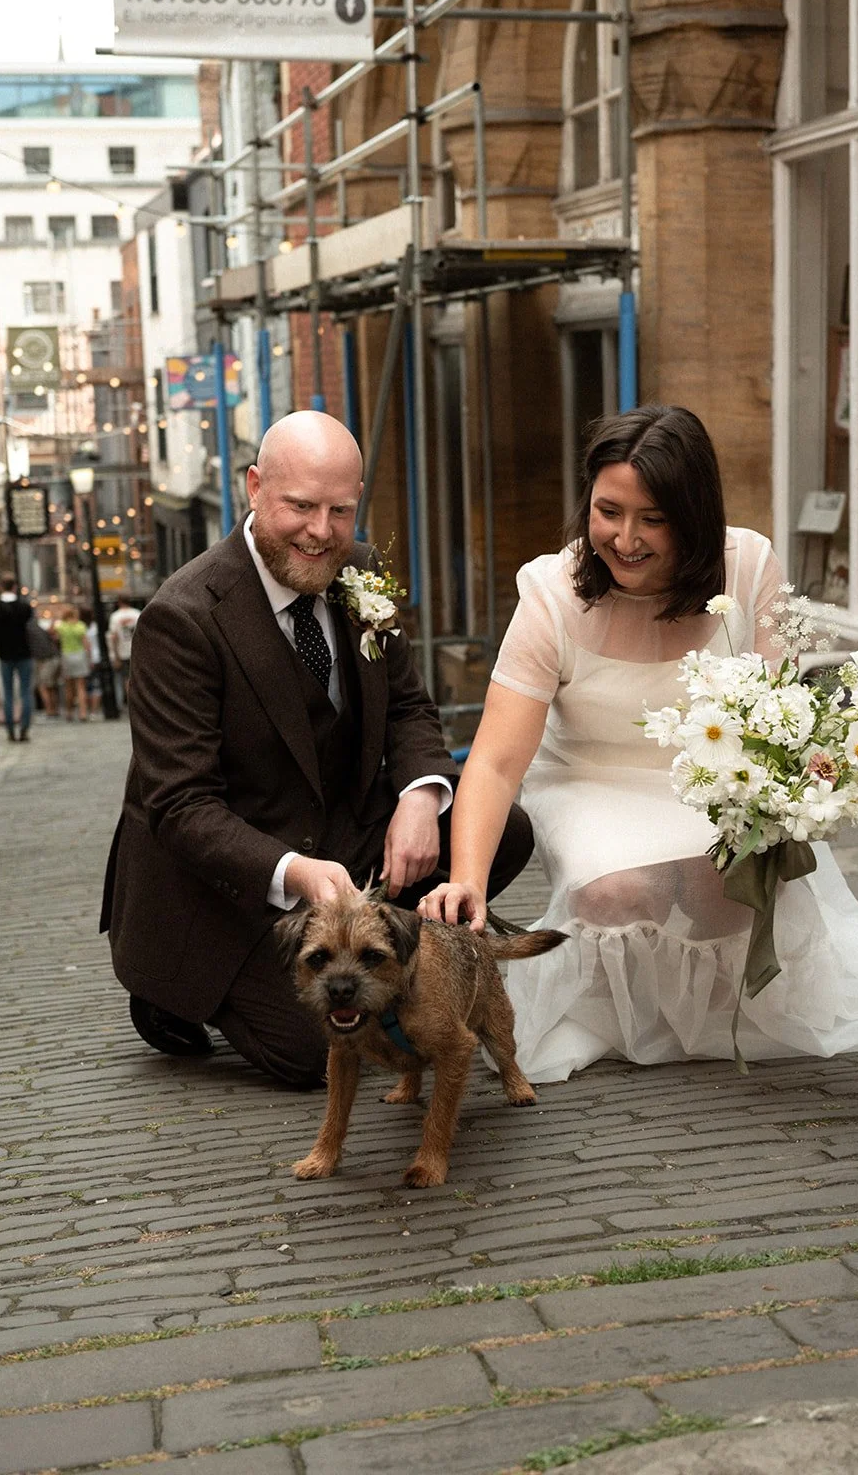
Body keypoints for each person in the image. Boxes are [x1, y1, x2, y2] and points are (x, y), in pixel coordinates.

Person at [421, 406, 858, 1084]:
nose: (624, 539)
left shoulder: (747, 566)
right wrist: (467, 881)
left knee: (725, 885)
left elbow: (781, 717)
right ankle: (618, 1012)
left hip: (715, 779)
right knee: (615, 889)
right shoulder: (551, 593)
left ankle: (720, 1011)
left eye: (652, 519)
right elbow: (497, 758)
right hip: (589, 778)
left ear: (693, 514)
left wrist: (798, 780)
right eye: (608, 511)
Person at [101, 410, 533, 1086]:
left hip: (343, 837)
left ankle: (396, 954)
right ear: (253, 487)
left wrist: (421, 795)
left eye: (340, 510)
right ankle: (171, 992)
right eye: (299, 506)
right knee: (322, 1056)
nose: (320, 532)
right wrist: (297, 872)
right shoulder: (180, 617)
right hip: (229, 885)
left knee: (500, 826)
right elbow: (180, 806)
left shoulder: (360, 568)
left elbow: (409, 706)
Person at [0, 575, 34, 742]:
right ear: (14, 587)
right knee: (25, 691)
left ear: (0, 587)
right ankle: (25, 727)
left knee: (8, 692)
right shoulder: (24, 608)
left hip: (5, 654)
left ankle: (10, 729)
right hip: (24, 652)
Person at [56, 606, 90, 722]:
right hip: (79, 655)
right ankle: (83, 712)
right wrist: (88, 658)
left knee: (69, 687)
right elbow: (86, 643)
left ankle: (69, 712)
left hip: (67, 656)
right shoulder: (80, 625)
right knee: (81, 686)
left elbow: (53, 635)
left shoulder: (62, 626)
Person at [106, 595, 140, 710]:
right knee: (138, 678)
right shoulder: (137, 613)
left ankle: (132, 704)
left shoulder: (115, 616)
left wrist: (115, 655)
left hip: (123, 651)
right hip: (137, 650)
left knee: (127, 679)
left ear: (119, 602)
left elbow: (114, 637)